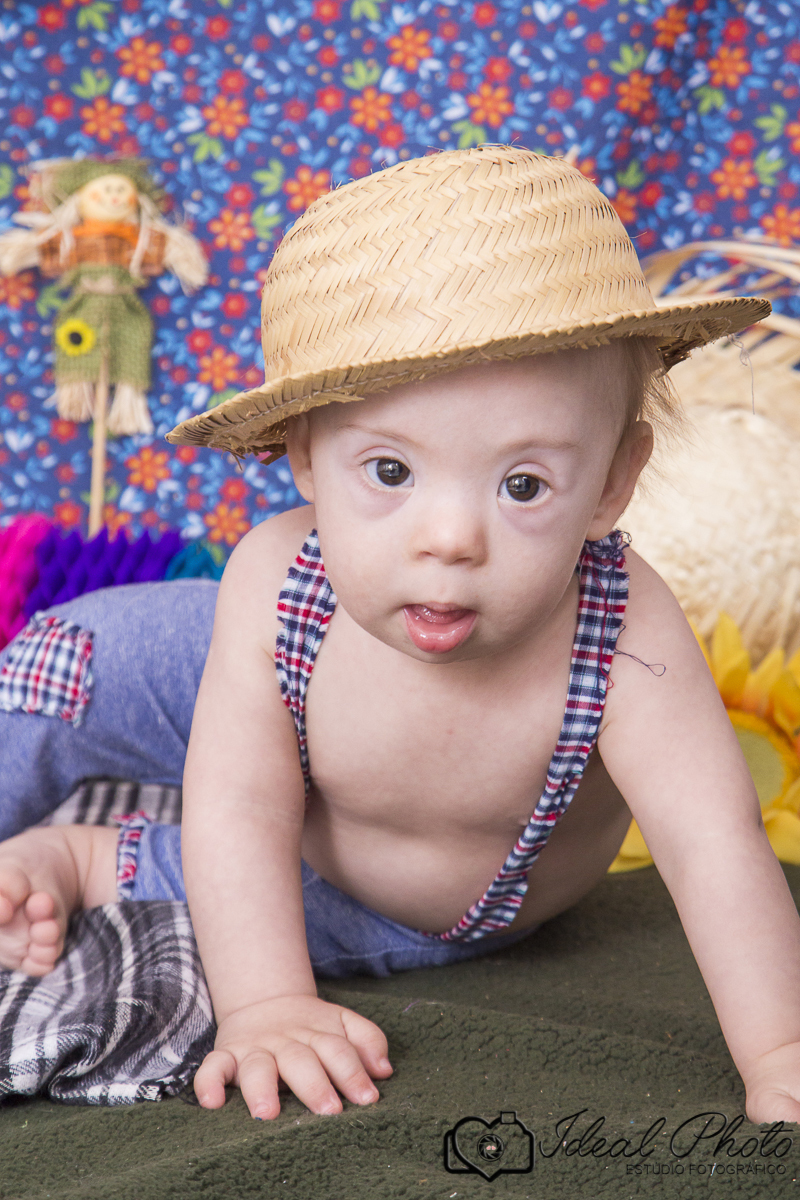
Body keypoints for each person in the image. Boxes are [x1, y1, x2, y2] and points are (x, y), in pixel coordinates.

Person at [0, 148, 795, 1127]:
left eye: (522, 486)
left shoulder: (624, 631)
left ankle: (84, 861)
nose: (449, 540)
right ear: (302, 450)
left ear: (611, 483)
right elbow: (239, 802)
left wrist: (779, 1048)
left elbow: (712, 845)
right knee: (70, 663)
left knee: (265, 903)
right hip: (301, 661)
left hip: (410, 897)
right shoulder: (270, 576)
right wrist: (266, 1008)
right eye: (387, 471)